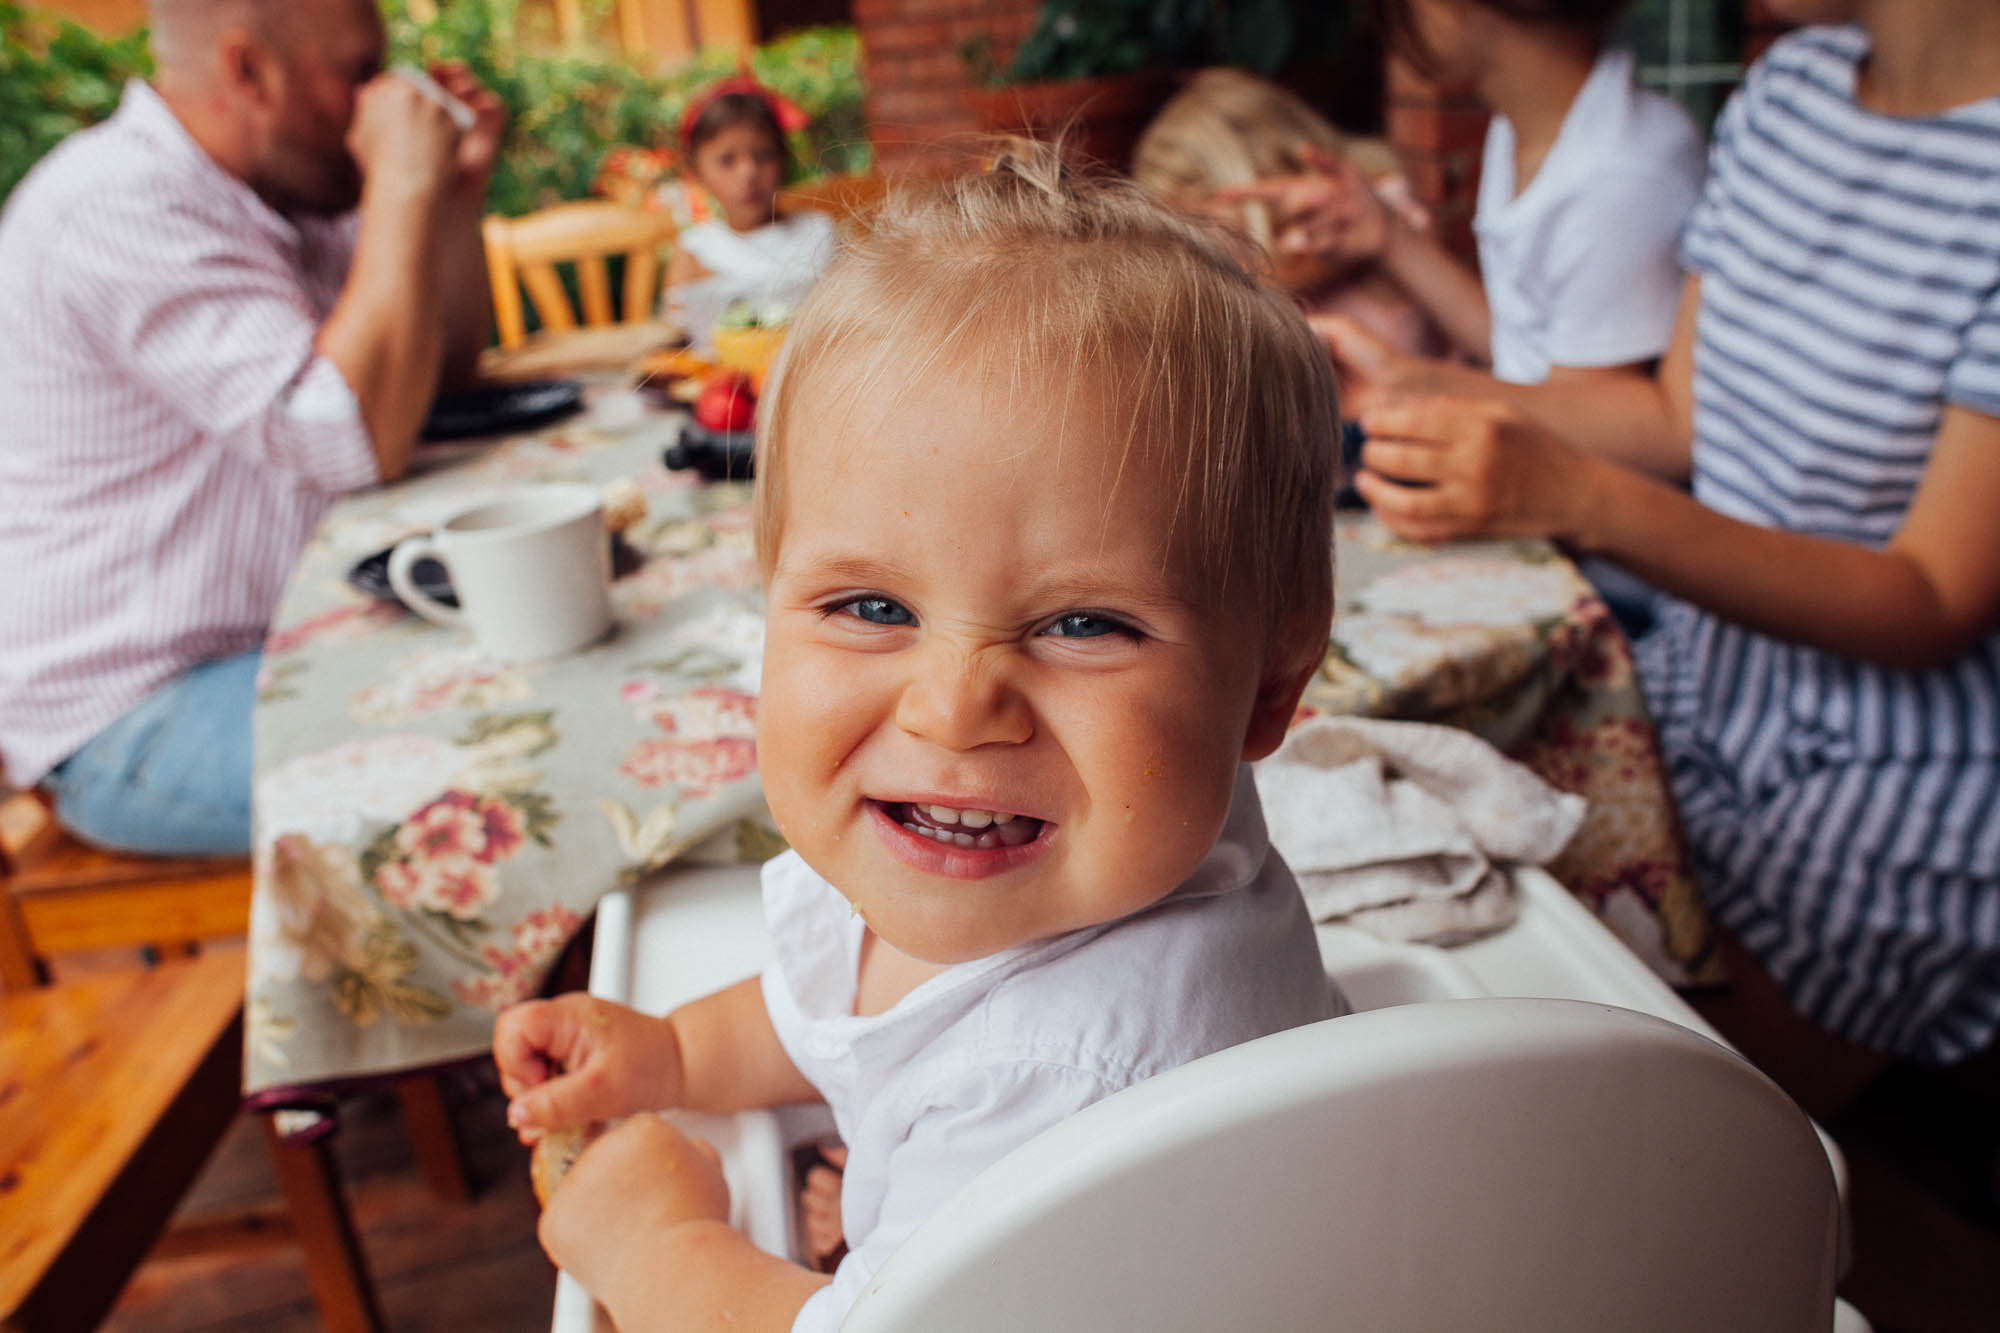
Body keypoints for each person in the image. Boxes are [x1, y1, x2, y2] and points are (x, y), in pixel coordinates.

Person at [494, 144, 1347, 1333]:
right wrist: (671, 1054)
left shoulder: (1058, 1085)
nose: (951, 708)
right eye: (871, 608)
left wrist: (653, 1245)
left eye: (1084, 623)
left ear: (1264, 688)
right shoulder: (1090, 836)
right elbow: (858, 1003)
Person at [1341, 1, 2000, 1117]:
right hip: (1709, 686)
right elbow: (1673, 415)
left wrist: (1585, 501)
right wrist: (1396, 388)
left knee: (1624, 1120)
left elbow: (1930, 599)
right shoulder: (1788, 92)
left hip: (1905, 779)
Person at [0, 0, 503, 856]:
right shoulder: (116, 204)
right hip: (139, 709)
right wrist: (401, 182)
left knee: (560, 666)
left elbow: (442, 371)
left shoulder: (288, 191)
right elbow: (349, 435)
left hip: (293, 640)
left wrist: (449, 197)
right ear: (249, 72)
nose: (384, 97)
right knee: (504, 759)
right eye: (359, 70)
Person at [1236, 0, 1703, 435]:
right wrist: (1389, 237)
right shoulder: (1520, 128)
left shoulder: (1622, 171)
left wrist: (1414, 383)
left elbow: (1603, 424)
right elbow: (1524, 350)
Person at [1130, 66, 1444, 356]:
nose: (1198, 239)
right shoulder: (1245, 268)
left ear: (1257, 168)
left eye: (1200, 219)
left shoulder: (1379, 210)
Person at [663, 75, 834, 347]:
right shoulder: (695, 251)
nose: (748, 173)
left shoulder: (820, 233)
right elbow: (679, 338)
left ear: (783, 159)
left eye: (763, 155)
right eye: (727, 160)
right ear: (697, 171)